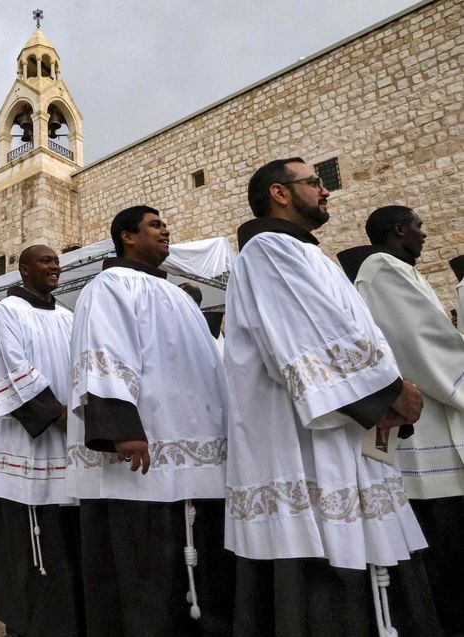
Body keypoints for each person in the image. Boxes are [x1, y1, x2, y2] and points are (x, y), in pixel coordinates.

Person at [225, 158, 437, 636]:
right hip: (303, 443)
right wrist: (387, 393)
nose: (325, 191)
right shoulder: (268, 250)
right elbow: (303, 337)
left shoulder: (309, 254)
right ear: (280, 193)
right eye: (314, 182)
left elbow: (357, 332)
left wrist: (394, 392)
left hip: (349, 426)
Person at [68, 206, 233, 636]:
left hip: (193, 443)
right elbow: (104, 355)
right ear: (126, 236)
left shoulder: (177, 294)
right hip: (144, 449)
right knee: (143, 564)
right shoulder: (110, 285)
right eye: (155, 225)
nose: (166, 231)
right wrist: (122, 430)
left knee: (194, 558)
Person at [337, 205, 464, 636]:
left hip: (432, 423)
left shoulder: (398, 269)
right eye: (419, 226)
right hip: (425, 435)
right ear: (397, 230)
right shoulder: (383, 270)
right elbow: (423, 344)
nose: (425, 235)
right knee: (445, 547)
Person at [0, 245, 85, 637]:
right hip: (31, 443)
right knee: (30, 538)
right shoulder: (6, 313)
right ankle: (24, 621)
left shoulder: (67, 316)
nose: (54, 266)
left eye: (56, 261)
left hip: (71, 438)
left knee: (67, 535)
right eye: (45, 261)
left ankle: (65, 618)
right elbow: (12, 367)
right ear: (23, 270)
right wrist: (57, 415)